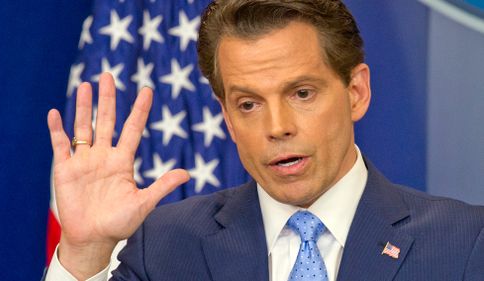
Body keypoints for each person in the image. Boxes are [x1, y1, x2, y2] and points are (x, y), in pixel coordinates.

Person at [45, 1, 484, 280]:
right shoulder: (165, 246)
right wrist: (85, 255)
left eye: (302, 93)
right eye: (249, 104)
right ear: (228, 119)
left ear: (356, 93)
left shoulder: (464, 244)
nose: (277, 126)